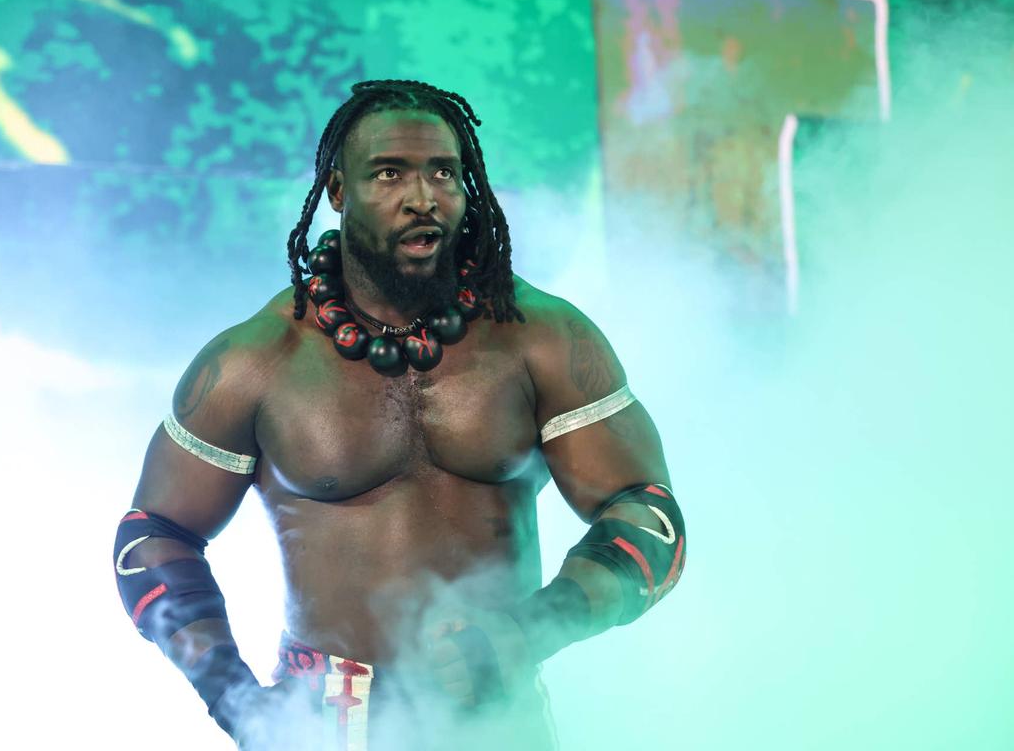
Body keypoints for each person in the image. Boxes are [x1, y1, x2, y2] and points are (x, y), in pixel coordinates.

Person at [113, 79, 686, 750]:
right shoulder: (257, 360)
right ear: (337, 191)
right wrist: (234, 699)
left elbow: (650, 520)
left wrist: (529, 631)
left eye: (444, 172)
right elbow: (152, 537)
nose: (423, 197)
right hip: (323, 721)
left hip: (495, 715)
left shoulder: (543, 340)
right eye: (390, 173)